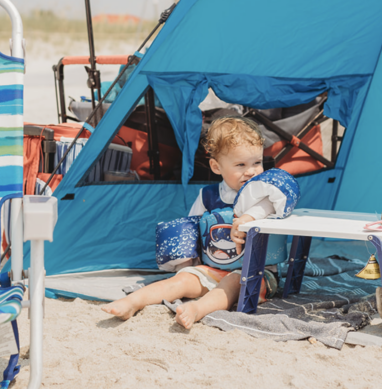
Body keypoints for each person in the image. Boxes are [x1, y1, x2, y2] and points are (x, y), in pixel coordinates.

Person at [102, 117, 278, 329]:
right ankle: (133, 302)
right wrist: (187, 268)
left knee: (232, 282)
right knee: (182, 280)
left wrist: (250, 216)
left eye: (257, 163)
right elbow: (189, 232)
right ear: (216, 166)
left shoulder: (265, 195)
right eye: (240, 164)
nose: (251, 171)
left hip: (256, 274)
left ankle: (197, 309)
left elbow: (271, 207)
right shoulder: (207, 196)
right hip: (214, 268)